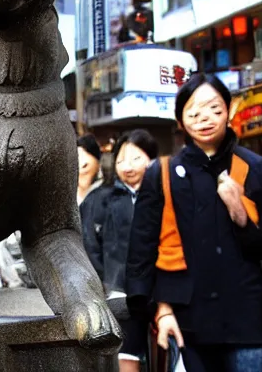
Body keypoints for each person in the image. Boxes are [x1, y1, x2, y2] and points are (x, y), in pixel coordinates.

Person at [126, 73, 262, 372]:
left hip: (247, 323)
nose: (205, 119)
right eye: (194, 112)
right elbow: (141, 254)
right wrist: (159, 310)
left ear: (230, 110)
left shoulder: (258, 170)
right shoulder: (163, 173)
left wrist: (243, 219)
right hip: (187, 325)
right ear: (180, 120)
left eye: (215, 109)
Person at [81, 130, 158, 372]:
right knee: (127, 358)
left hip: (162, 292)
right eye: (121, 159)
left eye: (136, 158)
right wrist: (106, 284)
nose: (127, 166)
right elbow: (89, 246)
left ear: (152, 159)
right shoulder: (100, 198)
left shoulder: (164, 192)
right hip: (119, 294)